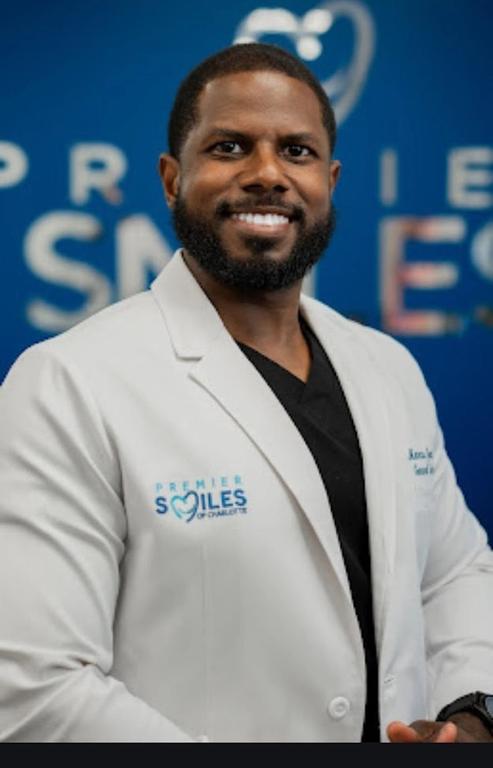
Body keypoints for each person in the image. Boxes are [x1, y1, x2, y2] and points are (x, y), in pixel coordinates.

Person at [0, 43, 492, 744]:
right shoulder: (69, 383)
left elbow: (455, 576)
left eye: (296, 151)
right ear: (172, 178)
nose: (267, 175)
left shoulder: (386, 368)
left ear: (329, 178)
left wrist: (470, 714)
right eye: (230, 147)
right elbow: (32, 686)